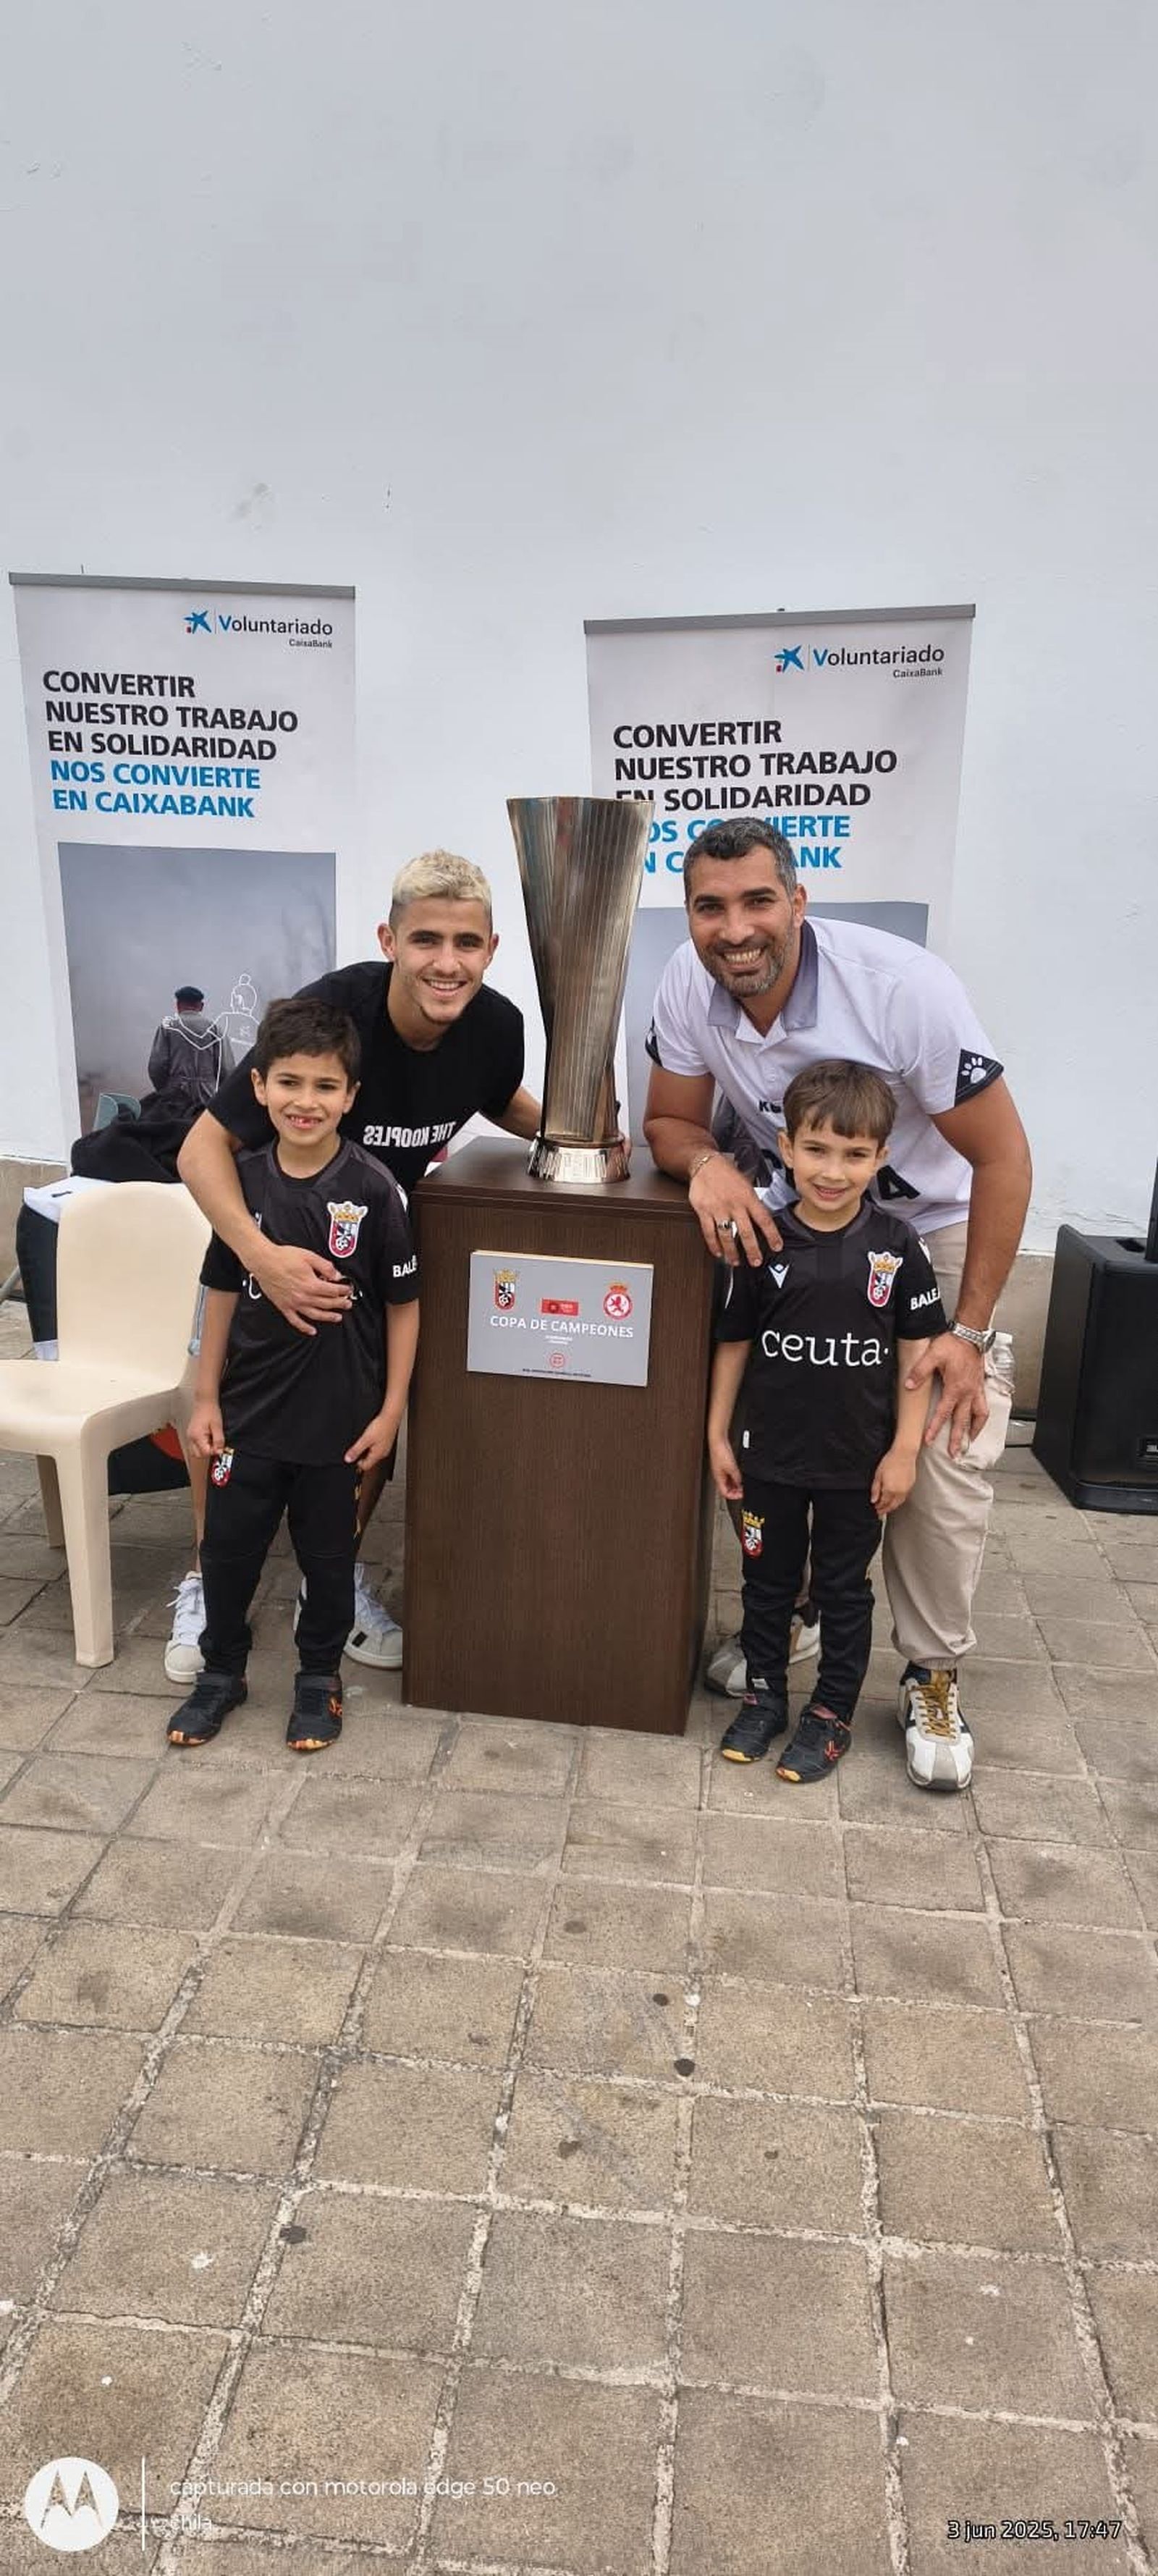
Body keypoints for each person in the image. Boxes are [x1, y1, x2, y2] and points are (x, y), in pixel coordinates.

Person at [643, 816, 1032, 1792]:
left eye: (757, 901)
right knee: (790, 1420)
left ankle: (933, 1671)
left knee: (938, 1447)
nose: (735, 928)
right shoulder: (688, 984)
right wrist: (708, 1169)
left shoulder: (903, 988)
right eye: (710, 906)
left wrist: (967, 1333)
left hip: (929, 1227)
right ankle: (802, 1608)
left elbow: (1002, 1157)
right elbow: (671, 1120)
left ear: (798, 902)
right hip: (794, 1223)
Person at [168, 851, 541, 1684]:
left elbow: (495, 1094)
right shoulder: (329, 1013)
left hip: (365, 1262)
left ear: (491, 948)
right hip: (260, 1248)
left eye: (466, 943)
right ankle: (204, 1579)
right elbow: (201, 1148)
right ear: (390, 940)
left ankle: (329, 1586)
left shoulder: (496, 1025)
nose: (447, 962)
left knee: (364, 1434)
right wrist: (261, 1259)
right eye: (426, 940)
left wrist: (578, 1131)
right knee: (220, 1407)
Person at [166, 996, 420, 1754]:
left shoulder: (374, 1190)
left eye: (323, 1087)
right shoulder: (239, 1185)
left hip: (337, 1427)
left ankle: (317, 1680)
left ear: (351, 1097)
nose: (305, 1102)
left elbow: (406, 1306)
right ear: (259, 1088)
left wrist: (390, 1412)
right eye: (289, 1083)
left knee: (329, 1560)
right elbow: (217, 1289)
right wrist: (205, 1396)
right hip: (246, 1421)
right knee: (228, 1556)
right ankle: (222, 1673)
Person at [707, 1061, 944, 1777]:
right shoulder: (763, 1240)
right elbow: (734, 1344)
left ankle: (829, 1713)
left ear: (881, 1156)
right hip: (769, 1457)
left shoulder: (897, 1248)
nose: (832, 1170)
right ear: (786, 1147)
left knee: (841, 1590)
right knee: (766, 1585)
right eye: (816, 1149)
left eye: (853, 1154)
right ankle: (766, 1700)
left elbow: (915, 1357)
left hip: (854, 1463)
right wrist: (719, 1433)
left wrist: (903, 1449)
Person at [148, 986, 235, 1108]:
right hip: (208, 1096)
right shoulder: (215, 1028)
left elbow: (156, 1067)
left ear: (178, 1005)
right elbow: (226, 1068)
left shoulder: (168, 1027)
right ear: (201, 1006)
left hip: (175, 1097)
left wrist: (166, 1089)